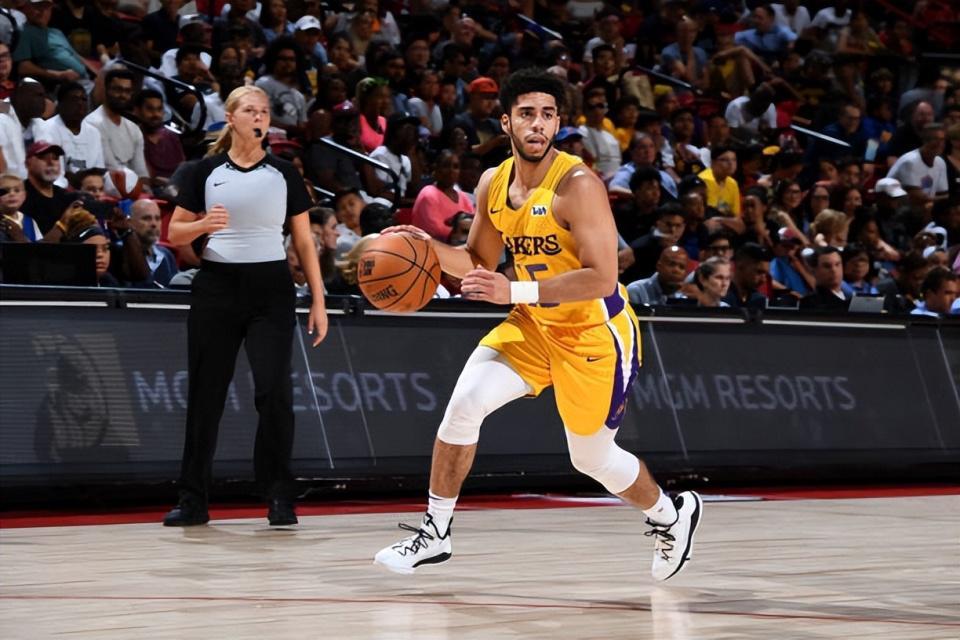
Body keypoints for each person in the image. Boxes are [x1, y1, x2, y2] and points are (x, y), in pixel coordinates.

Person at [373, 68, 702, 581]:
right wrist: (425, 247)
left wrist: (512, 291)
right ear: (506, 121)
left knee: (591, 458)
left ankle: (670, 514)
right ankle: (435, 533)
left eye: (548, 115)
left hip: (594, 333)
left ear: (557, 122)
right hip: (533, 323)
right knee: (463, 407)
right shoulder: (493, 182)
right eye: (527, 113)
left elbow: (603, 277)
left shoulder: (579, 186)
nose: (538, 124)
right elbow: (477, 260)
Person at [161, 86, 328, 528]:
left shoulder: (284, 173)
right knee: (206, 394)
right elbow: (175, 233)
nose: (259, 117)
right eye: (250, 110)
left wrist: (318, 299)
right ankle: (193, 499)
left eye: (265, 112)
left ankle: (279, 497)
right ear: (231, 118)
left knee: (275, 393)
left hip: (271, 289)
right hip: (217, 286)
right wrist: (204, 223)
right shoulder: (204, 170)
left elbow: (304, 241)